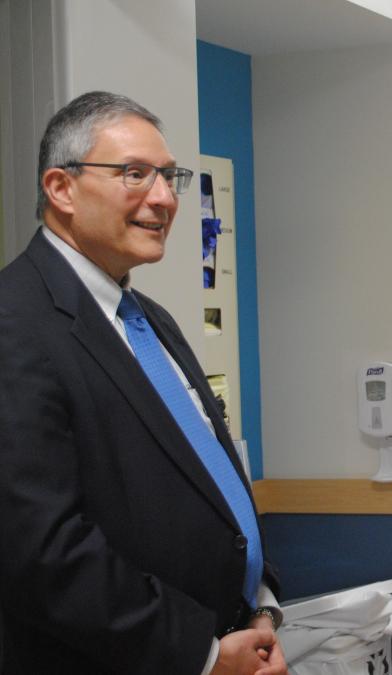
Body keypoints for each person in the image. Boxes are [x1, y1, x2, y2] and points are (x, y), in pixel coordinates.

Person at [0, 91, 286, 675]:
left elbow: (210, 482)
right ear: (61, 189)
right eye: (134, 174)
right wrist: (203, 654)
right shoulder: (15, 323)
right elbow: (43, 550)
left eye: (169, 176)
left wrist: (260, 607)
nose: (163, 198)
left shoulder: (150, 318)